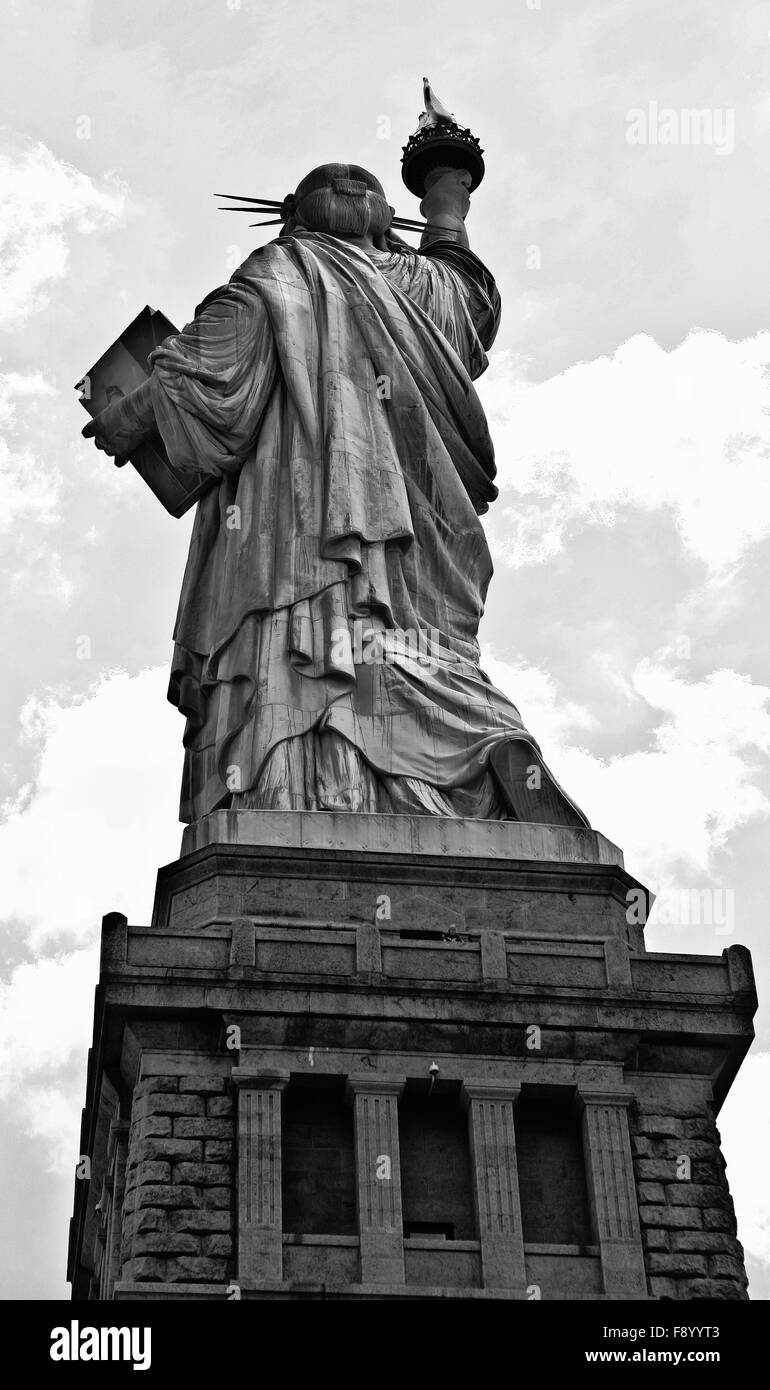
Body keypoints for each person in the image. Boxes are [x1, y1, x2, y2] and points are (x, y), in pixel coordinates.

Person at [83, 162, 588, 828]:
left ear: (296, 214)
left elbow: (209, 368)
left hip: (294, 521)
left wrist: (127, 416)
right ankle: (459, 764)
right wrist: (446, 199)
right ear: (382, 219)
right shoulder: (423, 286)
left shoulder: (282, 271)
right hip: (411, 531)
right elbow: (468, 292)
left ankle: (298, 794)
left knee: (307, 644)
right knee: (400, 646)